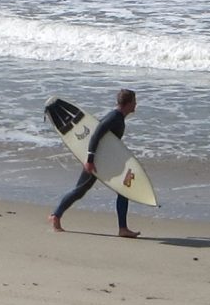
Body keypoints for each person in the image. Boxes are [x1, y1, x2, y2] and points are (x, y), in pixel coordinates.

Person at [48, 88, 141, 238]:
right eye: (134, 102)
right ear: (128, 103)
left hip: (105, 161)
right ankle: (56, 216)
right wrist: (90, 160)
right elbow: (95, 135)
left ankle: (123, 228)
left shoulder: (118, 117)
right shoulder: (114, 117)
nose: (136, 104)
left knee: (123, 190)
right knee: (80, 190)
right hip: (97, 161)